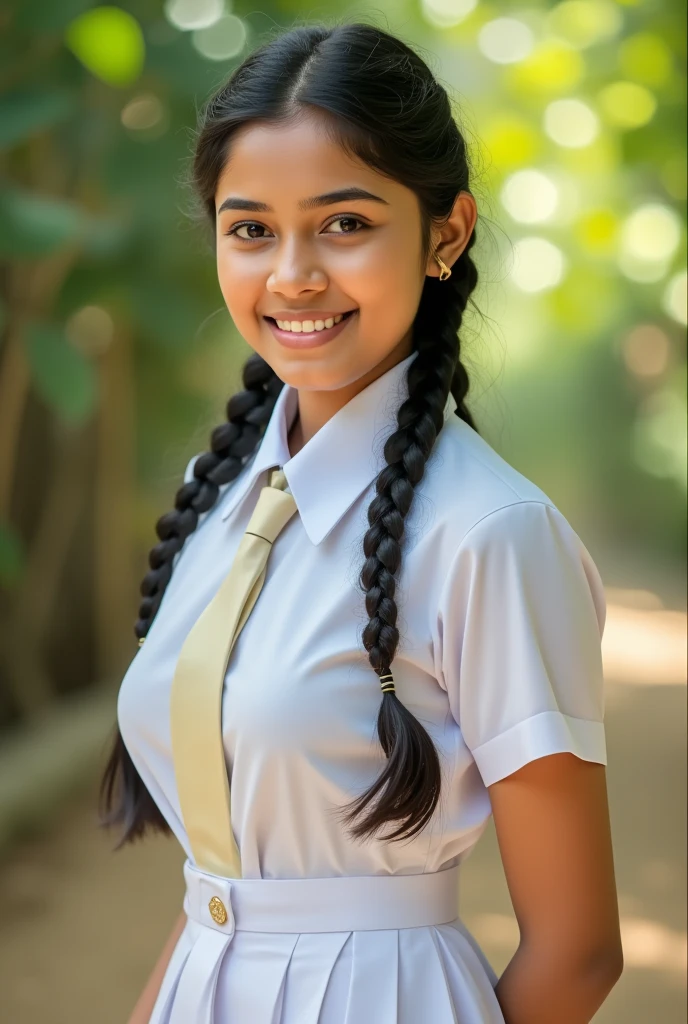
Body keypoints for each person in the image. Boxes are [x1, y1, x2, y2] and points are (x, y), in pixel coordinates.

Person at [100, 20, 624, 1024]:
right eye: (250, 227)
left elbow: (578, 951)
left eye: (343, 223)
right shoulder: (220, 498)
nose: (292, 274)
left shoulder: (490, 533)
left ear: (446, 233)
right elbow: (224, 877)